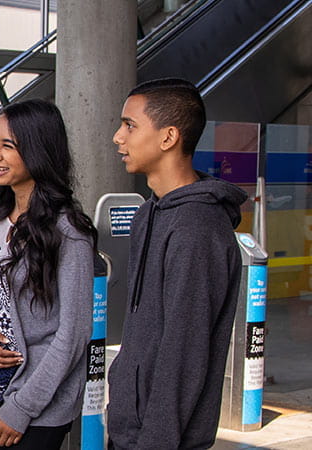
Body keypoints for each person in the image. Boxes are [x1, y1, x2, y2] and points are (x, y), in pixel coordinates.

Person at [107, 78, 246, 449]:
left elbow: (184, 353)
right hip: (130, 430)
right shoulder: (149, 214)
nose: (118, 137)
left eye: (129, 125)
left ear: (168, 137)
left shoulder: (197, 229)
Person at [0, 99, 96, 449]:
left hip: (40, 402)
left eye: (8, 146)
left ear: (39, 150)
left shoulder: (69, 231)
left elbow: (73, 335)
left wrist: (21, 408)